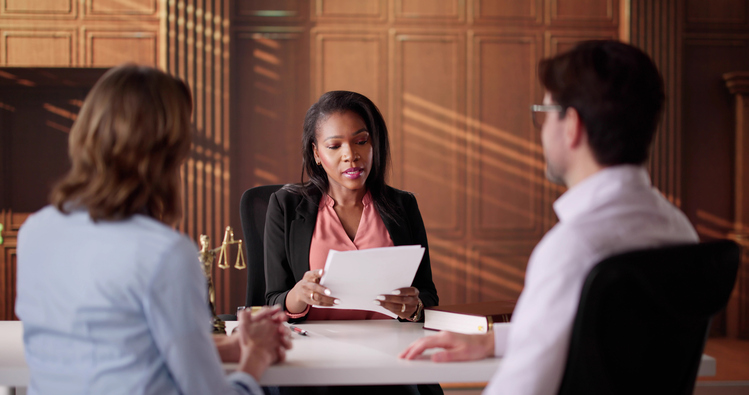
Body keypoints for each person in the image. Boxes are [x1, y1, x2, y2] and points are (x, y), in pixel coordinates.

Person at [399, 40, 699, 394]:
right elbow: (606, 338)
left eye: (545, 111)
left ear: (571, 125)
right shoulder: (680, 230)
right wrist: (494, 341)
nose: (541, 129)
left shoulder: (573, 249)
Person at [14, 64, 291, 395]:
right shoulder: (165, 254)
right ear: (170, 152)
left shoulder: (36, 231)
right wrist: (256, 357)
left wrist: (225, 350)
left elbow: (110, 353)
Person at [263, 91, 441, 395]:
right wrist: (298, 295)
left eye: (361, 141)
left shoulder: (402, 206)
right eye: (335, 146)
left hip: (389, 358)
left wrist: (413, 307)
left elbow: (427, 295)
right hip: (313, 361)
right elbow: (269, 301)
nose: (351, 155)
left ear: (374, 144)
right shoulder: (286, 207)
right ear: (317, 153)